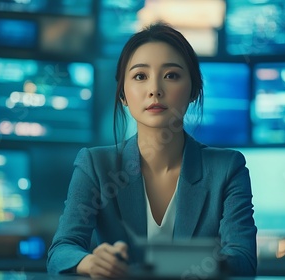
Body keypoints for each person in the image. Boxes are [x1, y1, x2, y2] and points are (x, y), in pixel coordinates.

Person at [47, 22, 257, 278]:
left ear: (194, 90)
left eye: (171, 75)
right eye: (140, 76)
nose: (155, 90)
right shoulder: (95, 164)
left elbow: (243, 260)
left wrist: (154, 265)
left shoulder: (228, 167)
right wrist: (91, 263)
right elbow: (61, 250)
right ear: (123, 94)